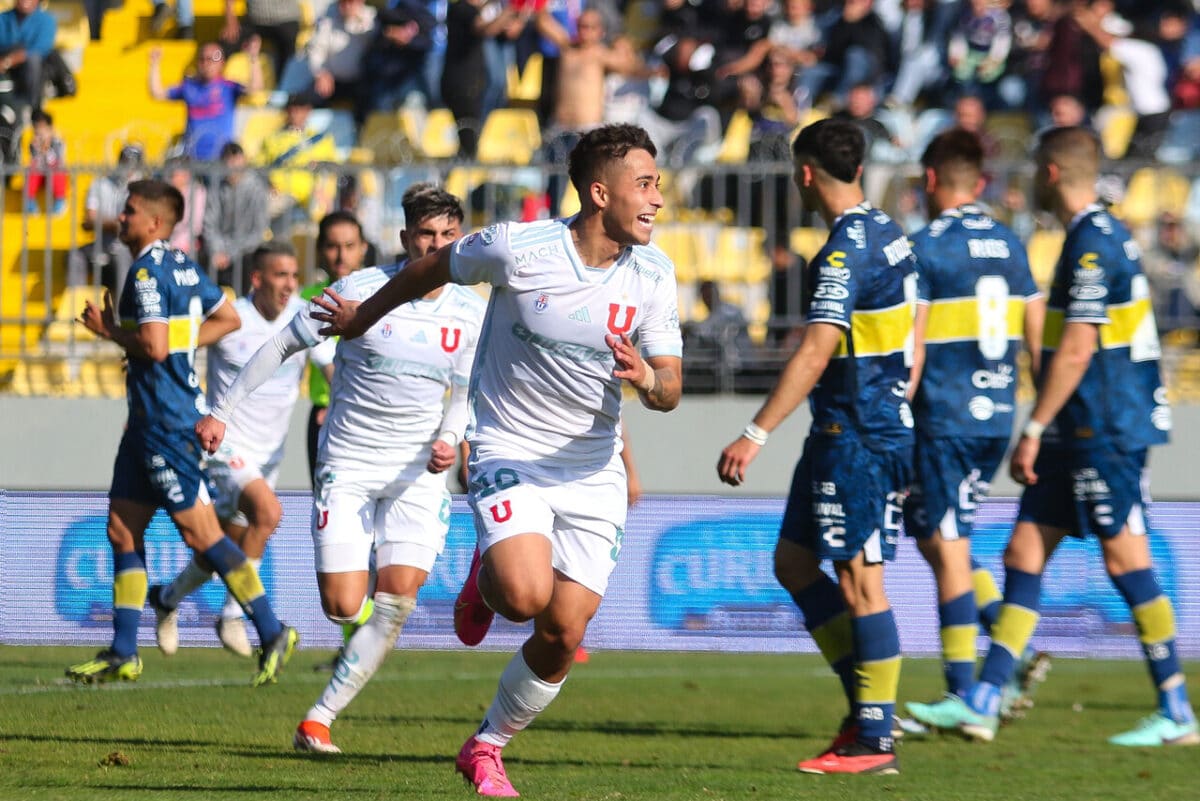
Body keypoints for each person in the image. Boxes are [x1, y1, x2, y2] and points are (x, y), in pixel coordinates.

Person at [310, 123, 683, 796]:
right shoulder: (519, 247)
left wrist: (649, 382)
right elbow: (429, 267)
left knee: (564, 630)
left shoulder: (654, 273)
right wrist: (362, 317)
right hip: (510, 448)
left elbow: (671, 386)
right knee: (523, 595)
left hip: (590, 468)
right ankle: (487, 579)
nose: (658, 197)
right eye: (646, 183)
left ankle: (485, 745)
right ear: (601, 192)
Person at [906, 126, 1198, 748]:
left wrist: (1034, 426)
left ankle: (1176, 708)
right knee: (1024, 553)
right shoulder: (1091, 236)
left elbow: (1077, 347)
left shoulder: (1093, 242)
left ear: (1055, 172)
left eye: (1039, 168)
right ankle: (984, 699)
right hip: (1082, 425)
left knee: (1125, 558)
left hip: (1106, 425)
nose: (1034, 180)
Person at [193, 184, 485, 753]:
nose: (437, 245)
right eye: (427, 234)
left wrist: (450, 439)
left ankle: (318, 719)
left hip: (418, 476)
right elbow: (280, 347)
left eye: (449, 236)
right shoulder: (357, 292)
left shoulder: (471, 312)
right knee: (343, 605)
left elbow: (462, 391)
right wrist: (221, 412)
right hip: (349, 463)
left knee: (398, 601)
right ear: (405, 238)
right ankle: (352, 641)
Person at [716, 118, 916, 776]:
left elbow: (816, 347)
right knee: (795, 562)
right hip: (850, 424)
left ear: (805, 173)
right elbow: (916, 335)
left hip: (857, 432)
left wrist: (755, 431)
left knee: (862, 580)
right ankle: (870, 704)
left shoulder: (842, 251)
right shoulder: (889, 234)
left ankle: (875, 737)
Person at [65, 179, 298, 687]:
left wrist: (110, 333)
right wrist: (176, 343)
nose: (119, 217)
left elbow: (150, 346)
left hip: (168, 423)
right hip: (147, 422)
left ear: (152, 221)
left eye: (127, 211)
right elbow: (228, 318)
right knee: (122, 530)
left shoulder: (148, 271)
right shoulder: (181, 263)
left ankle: (271, 629)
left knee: (203, 535)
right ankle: (124, 649)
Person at [900, 129, 1047, 718]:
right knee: (934, 531)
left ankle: (964, 692)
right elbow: (1039, 342)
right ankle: (1010, 645)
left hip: (944, 414)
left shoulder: (924, 248)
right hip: (998, 417)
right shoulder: (1013, 244)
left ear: (930, 180)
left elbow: (912, 348)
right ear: (981, 183)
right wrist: (1040, 418)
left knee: (950, 544)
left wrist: (893, 413)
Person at [148, 241, 331, 659]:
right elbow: (176, 353)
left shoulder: (303, 319)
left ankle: (166, 598)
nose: (289, 284)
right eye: (280, 275)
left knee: (221, 552)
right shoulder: (234, 318)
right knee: (269, 513)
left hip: (270, 454)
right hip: (225, 447)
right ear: (257, 278)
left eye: (293, 276)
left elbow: (333, 371)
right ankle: (234, 614)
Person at [300, 211, 369, 486]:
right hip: (324, 412)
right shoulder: (308, 298)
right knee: (323, 503)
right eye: (332, 246)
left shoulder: (382, 295)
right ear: (319, 250)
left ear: (363, 248)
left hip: (369, 414)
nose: (341, 256)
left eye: (350, 246)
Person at [149, 38, 263, 161]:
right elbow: (158, 93)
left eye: (211, 59)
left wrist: (253, 58)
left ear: (221, 63)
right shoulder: (189, 86)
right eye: (202, 59)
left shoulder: (228, 87)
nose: (206, 64)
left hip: (221, 158)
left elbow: (255, 89)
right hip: (192, 157)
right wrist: (154, 64)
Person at [258, 92, 340, 237]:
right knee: (258, 206)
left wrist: (324, 187)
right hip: (281, 193)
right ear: (287, 111)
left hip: (312, 194)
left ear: (308, 111)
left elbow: (334, 167)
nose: (296, 112)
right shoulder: (272, 139)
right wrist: (268, 184)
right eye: (292, 108)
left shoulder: (322, 139)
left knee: (322, 214)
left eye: (301, 108)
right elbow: (258, 167)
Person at [67, 143, 146, 292]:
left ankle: (122, 313)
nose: (129, 169)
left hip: (131, 248)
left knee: (123, 256)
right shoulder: (100, 184)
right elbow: (89, 220)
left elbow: (137, 226)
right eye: (125, 163)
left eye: (133, 165)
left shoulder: (144, 188)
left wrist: (105, 222)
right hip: (103, 244)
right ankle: (76, 310)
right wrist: (116, 225)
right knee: (75, 256)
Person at [203, 141, 272, 294]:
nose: (233, 167)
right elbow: (209, 224)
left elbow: (258, 232)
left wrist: (231, 253)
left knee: (247, 263)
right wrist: (217, 250)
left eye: (236, 162)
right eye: (229, 162)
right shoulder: (217, 188)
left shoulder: (257, 189)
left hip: (246, 251)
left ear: (244, 161)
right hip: (220, 252)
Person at [0, 0, 56, 110]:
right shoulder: (3, 18)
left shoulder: (46, 20)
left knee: (33, 60)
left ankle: (33, 108)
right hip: (5, 66)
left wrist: (9, 61)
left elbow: (41, 48)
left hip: (32, 71)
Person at [24, 108, 66, 215]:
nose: (40, 132)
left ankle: (60, 201)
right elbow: (34, 162)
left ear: (51, 129)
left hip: (54, 176)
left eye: (43, 128)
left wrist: (46, 148)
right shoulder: (33, 144)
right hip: (40, 176)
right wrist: (38, 149)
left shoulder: (58, 143)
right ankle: (30, 202)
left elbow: (57, 161)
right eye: (37, 129)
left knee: (58, 169)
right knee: (31, 169)